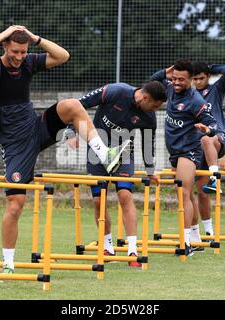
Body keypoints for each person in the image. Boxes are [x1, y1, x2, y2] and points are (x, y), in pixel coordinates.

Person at [0, 26, 131, 273]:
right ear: (4, 46)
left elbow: (62, 56)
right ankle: (8, 264)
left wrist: (35, 39)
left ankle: (104, 154)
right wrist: (6, 32)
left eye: (24, 52)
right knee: (15, 204)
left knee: (72, 105)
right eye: (15, 51)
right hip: (15, 144)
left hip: (37, 127)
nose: (19, 57)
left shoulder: (27, 63)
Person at [65, 81, 166, 267]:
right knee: (98, 200)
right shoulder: (114, 91)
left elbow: (148, 144)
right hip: (96, 151)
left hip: (123, 154)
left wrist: (150, 171)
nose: (155, 110)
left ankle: (133, 251)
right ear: (145, 98)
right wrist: (71, 131)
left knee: (125, 196)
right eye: (154, 105)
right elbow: (79, 105)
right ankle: (107, 246)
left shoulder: (149, 117)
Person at [150, 59, 218, 255]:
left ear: (191, 80)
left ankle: (186, 242)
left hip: (189, 151)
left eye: (182, 79)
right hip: (174, 151)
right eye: (175, 78)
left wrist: (207, 130)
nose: (177, 82)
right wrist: (166, 71)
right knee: (186, 196)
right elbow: (152, 83)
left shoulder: (196, 101)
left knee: (184, 193)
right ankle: (195, 239)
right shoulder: (170, 88)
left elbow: (212, 124)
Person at [190, 62, 225, 246]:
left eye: (202, 78)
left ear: (207, 77)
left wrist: (209, 67)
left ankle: (215, 177)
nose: (199, 82)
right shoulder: (188, 96)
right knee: (200, 193)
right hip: (196, 145)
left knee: (207, 139)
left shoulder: (215, 90)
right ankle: (205, 231)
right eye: (195, 78)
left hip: (217, 136)